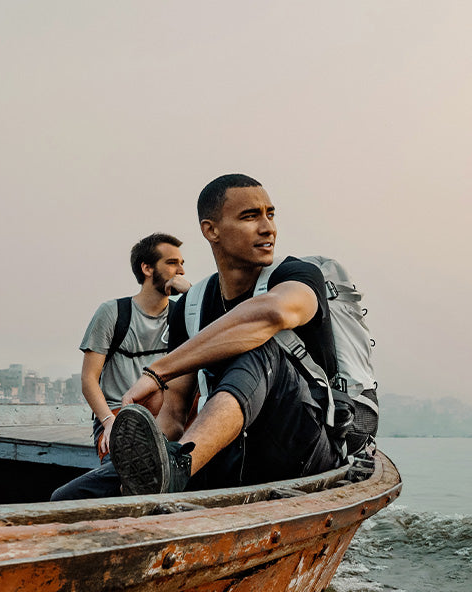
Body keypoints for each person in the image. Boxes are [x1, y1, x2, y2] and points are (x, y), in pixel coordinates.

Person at [108, 173, 345, 496]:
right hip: (229, 452)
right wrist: (142, 464)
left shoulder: (297, 275)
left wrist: (158, 371)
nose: (268, 228)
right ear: (211, 230)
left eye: (270, 214)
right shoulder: (191, 306)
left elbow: (273, 314)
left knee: (260, 345)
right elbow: (174, 410)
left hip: (306, 451)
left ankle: (180, 467)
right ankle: (169, 469)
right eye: (250, 216)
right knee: (73, 495)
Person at [50, 233, 189, 501]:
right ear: (147, 268)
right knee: (131, 467)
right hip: (119, 414)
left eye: (182, 263)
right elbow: (89, 379)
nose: (181, 270)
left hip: (168, 416)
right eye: (172, 263)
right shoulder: (113, 312)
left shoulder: (181, 314)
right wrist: (109, 421)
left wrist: (190, 294)